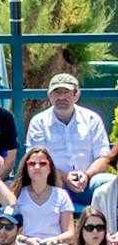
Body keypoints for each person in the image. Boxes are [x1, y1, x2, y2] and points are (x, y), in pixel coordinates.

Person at [26, 72, 114, 207]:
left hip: (88, 182)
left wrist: (87, 175)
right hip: (53, 183)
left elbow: (103, 157)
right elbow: (36, 161)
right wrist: (65, 177)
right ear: (50, 96)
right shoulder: (39, 122)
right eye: (57, 92)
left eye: (66, 92)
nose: (61, 97)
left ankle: (109, 227)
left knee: (112, 184)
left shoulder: (92, 119)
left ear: (76, 95)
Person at [12, 147, 75, 245]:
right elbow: (10, 231)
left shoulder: (61, 195)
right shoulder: (17, 195)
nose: (37, 167)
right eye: (32, 164)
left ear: (50, 168)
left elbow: (70, 233)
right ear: (26, 168)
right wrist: (27, 241)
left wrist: (52, 241)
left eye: (42, 163)